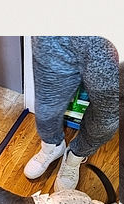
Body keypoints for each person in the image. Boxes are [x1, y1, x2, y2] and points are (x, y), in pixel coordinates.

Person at [24, 36, 119, 191]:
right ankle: (52, 147)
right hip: (58, 36)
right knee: (47, 107)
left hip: (115, 49)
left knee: (104, 122)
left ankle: (74, 157)